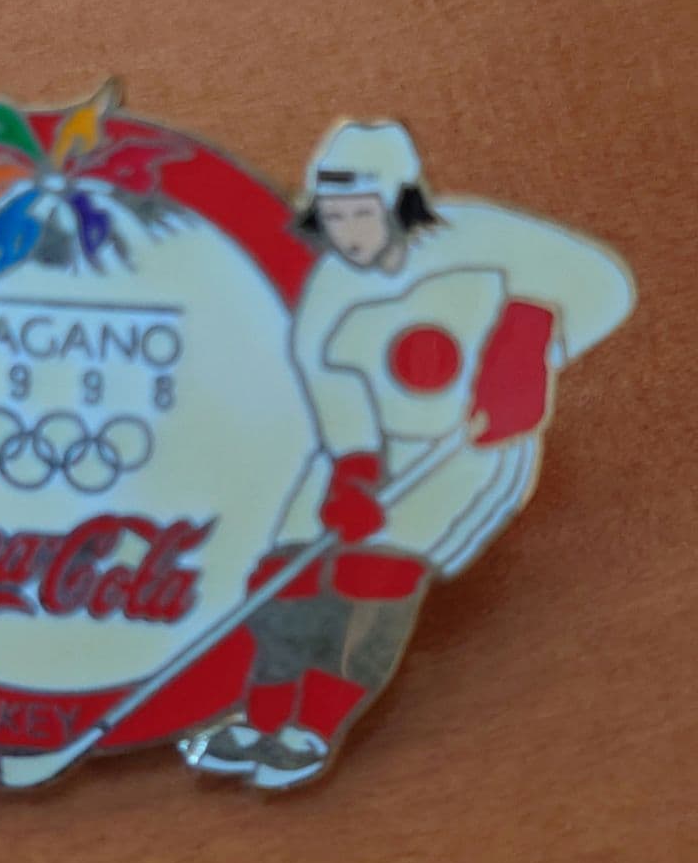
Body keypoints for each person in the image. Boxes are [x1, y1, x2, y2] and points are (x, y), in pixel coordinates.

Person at [177, 120, 636, 788]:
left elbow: (605, 286)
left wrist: (529, 349)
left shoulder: (485, 236)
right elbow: (326, 377)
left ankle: (315, 728)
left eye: (361, 214)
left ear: (399, 202)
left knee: (374, 579)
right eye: (334, 216)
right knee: (288, 570)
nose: (348, 232)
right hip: (365, 446)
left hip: (465, 447)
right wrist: (354, 468)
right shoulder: (333, 285)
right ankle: (262, 717)